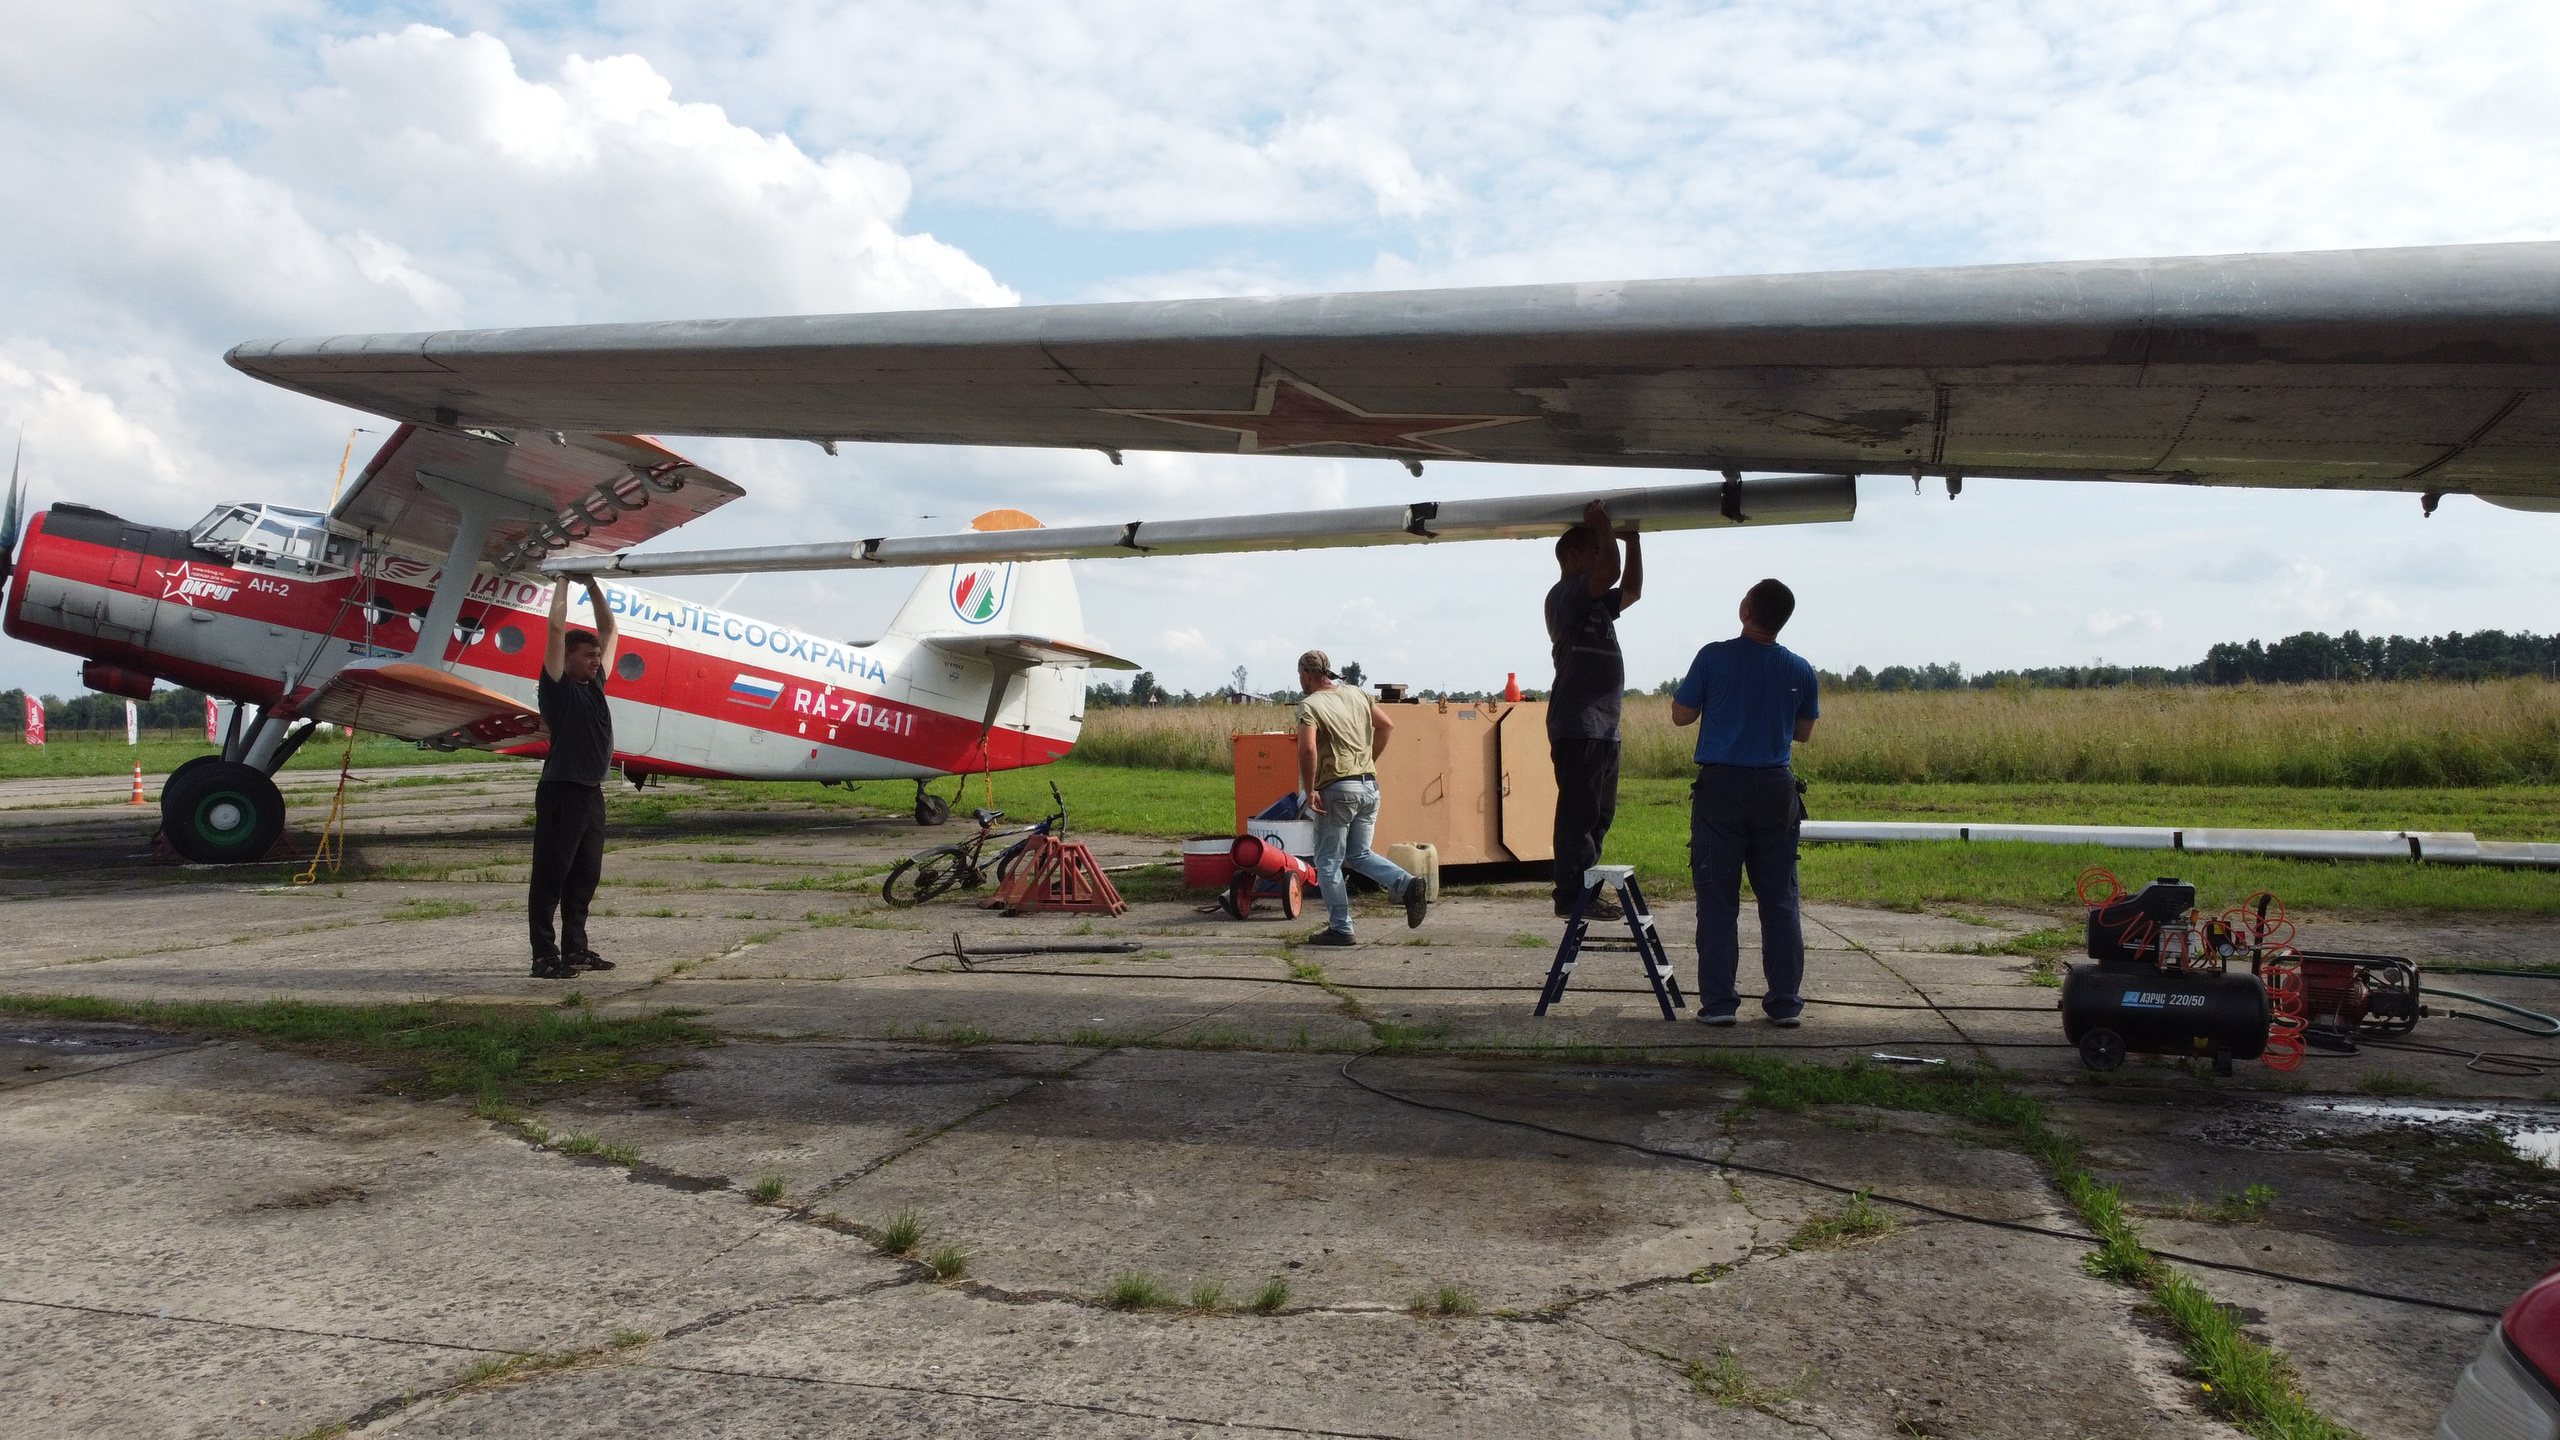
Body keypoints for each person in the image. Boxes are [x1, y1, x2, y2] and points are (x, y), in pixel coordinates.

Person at [1670, 579, 1818, 1026]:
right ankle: (1785, 1003)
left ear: (1745, 610)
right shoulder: (1800, 668)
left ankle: (1718, 1005)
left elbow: (1681, 715)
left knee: (1717, 900)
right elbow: (1804, 732)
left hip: (1721, 789)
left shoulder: (1713, 657)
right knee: (1779, 900)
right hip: (1777, 787)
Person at [1545, 498, 1642, 918]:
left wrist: (1632, 539)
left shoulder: (1597, 604)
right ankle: (1570, 896)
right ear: (1572, 556)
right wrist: (1606, 528)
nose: (1601, 555)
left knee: (1600, 813)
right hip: (1579, 723)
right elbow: (1611, 572)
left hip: (1604, 727)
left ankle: (1583, 889)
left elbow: (1632, 589)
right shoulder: (1568, 595)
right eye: (1594, 549)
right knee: (1578, 814)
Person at [1294, 649, 1429, 947]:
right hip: (1369, 786)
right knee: (1358, 854)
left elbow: (1307, 749)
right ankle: (1406, 884)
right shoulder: (1356, 694)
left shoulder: (1310, 705)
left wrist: (1311, 788)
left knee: (1328, 861)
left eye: (1300, 676)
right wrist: (1370, 760)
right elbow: (1386, 725)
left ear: (1306, 674)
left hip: (1338, 790)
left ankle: (1341, 928)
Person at [529, 576, 620, 980]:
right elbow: (555, 628)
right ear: (566, 658)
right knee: (551, 876)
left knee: (585, 876)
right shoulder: (556, 688)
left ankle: (575, 950)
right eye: (587, 655)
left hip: (590, 793)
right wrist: (563, 582)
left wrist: (593, 585)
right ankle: (543, 956)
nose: (596, 660)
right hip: (561, 793)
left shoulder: (596, 685)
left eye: (597, 655)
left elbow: (611, 630)